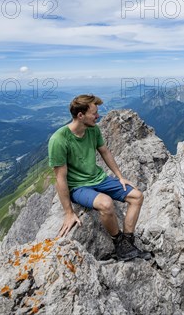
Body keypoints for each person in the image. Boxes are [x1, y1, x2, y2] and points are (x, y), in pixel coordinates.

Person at [48, 94, 151, 261]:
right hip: (78, 187)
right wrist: (69, 212)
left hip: (98, 178)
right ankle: (118, 244)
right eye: (94, 113)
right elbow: (60, 178)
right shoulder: (59, 140)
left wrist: (120, 177)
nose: (98, 116)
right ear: (81, 115)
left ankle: (128, 241)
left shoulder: (93, 130)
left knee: (137, 196)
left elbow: (105, 151)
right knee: (106, 204)